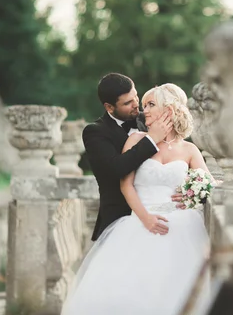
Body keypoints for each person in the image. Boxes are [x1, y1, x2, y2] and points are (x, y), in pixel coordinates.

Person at [62, 83, 213, 315]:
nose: (144, 111)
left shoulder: (190, 149)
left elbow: (209, 184)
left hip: (184, 225)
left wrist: (192, 194)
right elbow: (126, 184)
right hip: (141, 221)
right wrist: (146, 218)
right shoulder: (135, 140)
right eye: (143, 105)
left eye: (150, 104)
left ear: (169, 109)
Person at [82, 73, 179, 241]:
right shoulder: (95, 132)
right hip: (117, 221)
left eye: (136, 96)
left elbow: (176, 152)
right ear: (109, 107)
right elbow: (116, 168)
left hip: (161, 217)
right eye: (127, 103)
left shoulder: (147, 119)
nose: (136, 105)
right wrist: (151, 140)